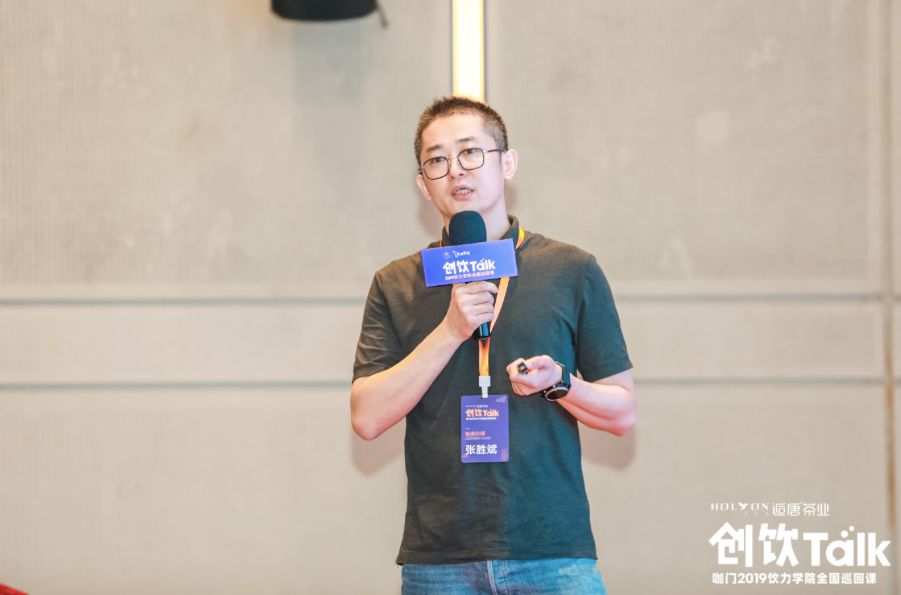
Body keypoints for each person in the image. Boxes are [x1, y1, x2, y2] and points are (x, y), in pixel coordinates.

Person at [351, 96, 635, 594]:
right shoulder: (397, 284)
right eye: (437, 160)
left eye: (470, 152)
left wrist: (560, 383)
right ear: (423, 184)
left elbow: (621, 412)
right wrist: (450, 331)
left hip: (551, 554)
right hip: (440, 561)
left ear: (507, 163)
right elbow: (367, 417)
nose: (456, 170)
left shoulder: (571, 270)